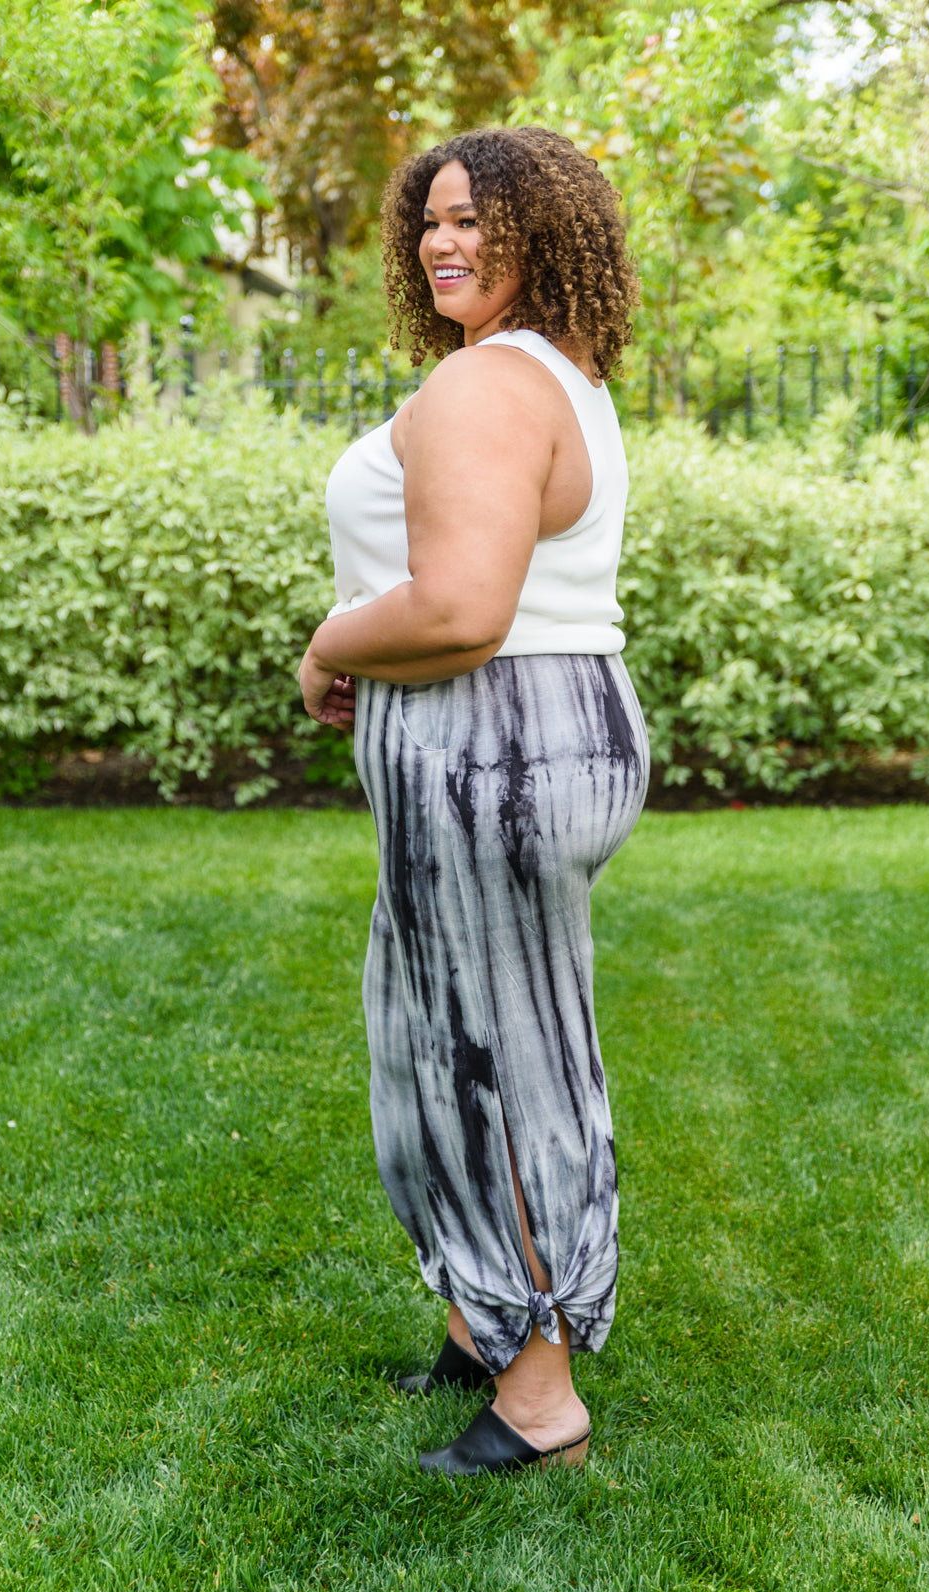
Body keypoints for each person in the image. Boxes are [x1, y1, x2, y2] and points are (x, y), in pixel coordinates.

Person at [298, 125, 649, 1477]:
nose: (444, 241)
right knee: (436, 1041)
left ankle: (542, 1399)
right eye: (432, 220)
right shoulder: (547, 370)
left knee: (503, 1068)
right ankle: (483, 1320)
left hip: (493, 741)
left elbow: (458, 610)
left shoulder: (488, 386)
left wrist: (331, 643)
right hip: (522, 735)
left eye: (477, 220)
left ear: (543, 234)